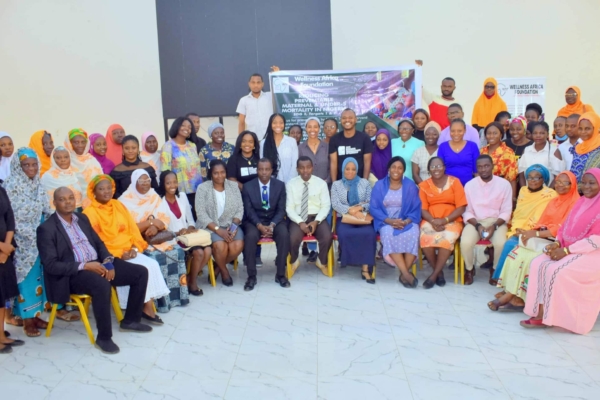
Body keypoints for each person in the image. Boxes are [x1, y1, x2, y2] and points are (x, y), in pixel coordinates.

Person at [37, 187, 151, 354]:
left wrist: (108, 262)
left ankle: (130, 321)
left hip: (98, 263)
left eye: (70, 198)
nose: (68, 202)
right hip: (73, 274)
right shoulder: (46, 229)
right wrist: (85, 266)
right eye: (62, 199)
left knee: (140, 272)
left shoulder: (81, 218)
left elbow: (98, 244)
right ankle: (104, 338)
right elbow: (51, 265)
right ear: (54, 203)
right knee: (102, 285)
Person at [520, 169, 600, 333]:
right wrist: (556, 245)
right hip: (570, 249)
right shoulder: (581, 201)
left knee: (556, 270)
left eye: (592, 183)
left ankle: (556, 318)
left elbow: (596, 240)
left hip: (592, 254)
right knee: (537, 263)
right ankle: (540, 312)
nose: (587, 186)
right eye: (584, 182)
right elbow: (565, 227)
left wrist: (566, 250)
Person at [83, 175, 170, 324]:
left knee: (152, 264)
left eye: (108, 188)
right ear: (93, 192)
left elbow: (132, 230)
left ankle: (145, 307)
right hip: (109, 257)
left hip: (128, 250)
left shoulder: (118, 206)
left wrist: (135, 249)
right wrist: (119, 254)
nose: (106, 192)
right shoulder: (89, 213)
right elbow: (96, 244)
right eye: (101, 189)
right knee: (141, 269)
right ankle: (145, 309)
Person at [490, 171, 579, 311]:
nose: (560, 185)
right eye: (558, 182)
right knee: (516, 253)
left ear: (573, 185)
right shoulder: (554, 200)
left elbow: (561, 228)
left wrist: (536, 233)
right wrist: (528, 232)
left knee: (530, 258)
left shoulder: (575, 203)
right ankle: (512, 293)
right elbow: (542, 221)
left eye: (565, 182)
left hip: (561, 243)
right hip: (545, 238)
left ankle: (514, 297)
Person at [119, 169, 189, 313]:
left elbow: (164, 218)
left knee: (177, 251)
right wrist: (150, 224)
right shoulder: (124, 201)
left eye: (148, 180)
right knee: (154, 258)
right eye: (141, 181)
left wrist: (157, 228)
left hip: (156, 238)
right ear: (134, 181)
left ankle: (177, 298)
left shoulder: (153, 196)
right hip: (136, 241)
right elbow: (126, 228)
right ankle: (156, 303)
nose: (145, 184)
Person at [3, 148, 51, 337]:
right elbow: (8, 217)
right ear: (17, 166)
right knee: (25, 279)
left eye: (34, 164)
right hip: (21, 241)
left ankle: (36, 315)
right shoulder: (11, 185)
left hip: (40, 238)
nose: (31, 168)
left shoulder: (38, 184)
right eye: (26, 165)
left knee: (39, 277)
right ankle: (27, 321)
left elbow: (45, 210)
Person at [491, 164, 557, 281]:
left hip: (537, 231)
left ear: (544, 179)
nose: (532, 181)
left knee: (510, 245)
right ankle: (503, 279)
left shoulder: (550, 194)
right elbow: (518, 214)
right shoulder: (523, 190)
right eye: (529, 177)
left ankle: (501, 278)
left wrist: (527, 231)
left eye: (537, 177)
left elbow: (547, 217)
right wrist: (517, 229)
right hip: (518, 227)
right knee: (507, 242)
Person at [370, 156, 421, 287]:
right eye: (393, 167)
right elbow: (374, 208)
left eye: (400, 168)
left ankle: (404, 274)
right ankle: (407, 274)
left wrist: (406, 221)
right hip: (385, 221)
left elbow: (416, 208)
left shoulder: (410, 186)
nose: (396, 170)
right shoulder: (379, 185)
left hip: (406, 220)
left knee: (414, 233)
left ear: (404, 170)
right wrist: (390, 221)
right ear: (389, 169)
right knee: (387, 234)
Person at [157, 170, 210, 296]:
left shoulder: (182, 196)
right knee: (199, 252)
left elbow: (190, 220)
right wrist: (177, 232)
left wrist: (189, 228)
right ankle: (192, 284)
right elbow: (162, 227)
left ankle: (190, 279)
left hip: (187, 236)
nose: (172, 185)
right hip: (173, 238)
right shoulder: (160, 202)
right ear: (163, 184)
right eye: (168, 183)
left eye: (175, 182)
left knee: (208, 250)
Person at [461, 155, 512, 285]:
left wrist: (494, 226)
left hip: (497, 221)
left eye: (486, 166)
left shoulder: (504, 184)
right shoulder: (469, 185)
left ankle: (495, 271)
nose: (483, 169)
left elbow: (506, 210)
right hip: (475, 221)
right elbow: (467, 211)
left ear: (492, 166)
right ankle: (469, 269)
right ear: (476, 169)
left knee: (501, 244)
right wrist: (478, 226)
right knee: (465, 243)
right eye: (480, 167)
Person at [241, 158, 290, 290]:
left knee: (284, 234)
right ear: (257, 170)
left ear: (271, 171)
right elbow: (248, 210)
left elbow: (281, 209)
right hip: (255, 220)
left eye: (267, 169)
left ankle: (280, 274)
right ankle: (251, 276)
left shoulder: (280, 185)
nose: (264, 172)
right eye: (261, 169)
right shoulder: (248, 186)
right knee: (250, 237)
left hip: (274, 219)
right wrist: (259, 225)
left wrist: (272, 225)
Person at [418, 157, 467, 288]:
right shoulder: (423, 186)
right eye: (433, 167)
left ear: (444, 167)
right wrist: (433, 221)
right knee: (425, 238)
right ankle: (439, 273)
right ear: (428, 170)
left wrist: (444, 220)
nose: (436, 169)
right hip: (430, 219)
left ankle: (434, 275)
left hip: (452, 220)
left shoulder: (455, 182)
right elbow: (422, 209)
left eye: (439, 166)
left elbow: (461, 207)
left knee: (446, 238)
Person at [195, 160, 244, 286]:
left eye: (222, 172)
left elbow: (240, 208)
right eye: (216, 173)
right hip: (210, 226)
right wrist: (218, 230)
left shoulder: (233, 186)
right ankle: (224, 271)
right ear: (211, 174)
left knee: (237, 245)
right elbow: (201, 214)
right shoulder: (203, 188)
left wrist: (233, 227)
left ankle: (217, 266)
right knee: (220, 246)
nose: (220, 175)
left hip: (231, 224)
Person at [331, 157, 376, 282]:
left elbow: (371, 201)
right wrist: (350, 210)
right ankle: (350, 259)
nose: (350, 172)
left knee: (369, 234)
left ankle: (365, 269)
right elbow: (335, 204)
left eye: (353, 169)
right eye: (347, 169)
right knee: (345, 233)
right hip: (344, 218)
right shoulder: (336, 185)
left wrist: (359, 208)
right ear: (343, 169)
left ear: (357, 170)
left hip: (362, 217)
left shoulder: (365, 183)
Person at [286, 157, 332, 275]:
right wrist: (300, 222)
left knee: (327, 237)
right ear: (297, 169)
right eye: (301, 168)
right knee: (292, 238)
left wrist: (316, 221)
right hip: (298, 217)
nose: (305, 170)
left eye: (308, 167)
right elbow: (289, 208)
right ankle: (295, 261)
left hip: (317, 217)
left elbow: (326, 206)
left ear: (312, 168)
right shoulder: (291, 184)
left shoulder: (321, 184)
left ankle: (321, 261)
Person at [160, 116, 203, 218]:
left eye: (189, 127)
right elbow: (165, 172)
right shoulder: (168, 146)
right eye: (183, 125)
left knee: (197, 220)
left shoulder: (193, 145)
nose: (186, 128)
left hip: (197, 192)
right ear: (176, 126)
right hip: (179, 193)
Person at [0, 182, 22, 353]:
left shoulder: (1, 189)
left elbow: (9, 218)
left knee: (2, 294)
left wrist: (6, 247)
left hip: (5, 251)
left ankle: (1, 334)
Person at [329, 109, 373, 181]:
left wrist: (364, 183)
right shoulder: (334, 139)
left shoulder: (365, 138)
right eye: (344, 118)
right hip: (341, 184)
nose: (347, 120)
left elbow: (367, 163)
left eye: (350, 118)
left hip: (359, 183)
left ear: (356, 120)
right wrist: (335, 184)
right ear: (340, 120)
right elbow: (333, 164)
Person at [236, 67, 279, 139]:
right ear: (249, 84)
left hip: (270, 138)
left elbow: (280, 89)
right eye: (253, 82)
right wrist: (240, 140)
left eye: (258, 82)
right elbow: (241, 122)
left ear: (262, 84)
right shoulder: (243, 100)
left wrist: (277, 74)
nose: (256, 85)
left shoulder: (270, 96)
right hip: (253, 139)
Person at [480, 122, 518, 201]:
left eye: (495, 133)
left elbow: (512, 178)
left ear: (501, 135)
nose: (491, 136)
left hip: (501, 191)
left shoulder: (508, 152)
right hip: (483, 190)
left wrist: (513, 198)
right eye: (489, 133)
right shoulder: (482, 151)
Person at [518, 122, 563, 187]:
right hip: (528, 194)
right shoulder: (526, 150)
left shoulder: (554, 151)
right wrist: (525, 191)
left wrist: (547, 193)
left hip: (547, 194)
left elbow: (558, 177)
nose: (538, 135)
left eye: (542, 133)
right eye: (535, 133)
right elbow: (521, 175)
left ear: (547, 134)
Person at [64, 129, 103, 203]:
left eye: (83, 142)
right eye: (76, 142)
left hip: (92, 202)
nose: (80, 145)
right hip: (71, 204)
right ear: (69, 143)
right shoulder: (65, 161)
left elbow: (101, 181)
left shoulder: (92, 160)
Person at [437, 119, 479, 186]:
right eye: (453, 131)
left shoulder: (472, 146)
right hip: (448, 187)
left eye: (459, 131)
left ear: (465, 131)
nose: (456, 134)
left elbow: (476, 171)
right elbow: (440, 169)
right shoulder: (443, 147)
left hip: (468, 186)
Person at [415, 61, 457, 129]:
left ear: (454, 88)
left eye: (449, 86)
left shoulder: (457, 104)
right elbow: (419, 86)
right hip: (432, 136)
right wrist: (418, 68)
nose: (446, 88)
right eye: (444, 86)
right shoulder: (433, 99)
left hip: (447, 136)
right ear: (441, 86)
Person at [41, 147, 84, 211]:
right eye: (58, 158)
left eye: (66, 157)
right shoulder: (47, 177)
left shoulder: (74, 174)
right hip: (56, 214)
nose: (63, 160)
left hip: (77, 210)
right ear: (53, 159)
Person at [260, 113, 298, 183]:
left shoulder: (291, 141)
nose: (278, 125)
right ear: (270, 125)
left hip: (290, 183)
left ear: (284, 124)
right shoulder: (264, 143)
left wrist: (290, 183)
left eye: (281, 123)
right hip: (271, 183)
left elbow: (295, 164)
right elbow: (262, 164)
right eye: (274, 123)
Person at [298, 117, 330, 184]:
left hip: (325, 186)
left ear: (319, 129)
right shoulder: (300, 148)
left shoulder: (327, 147)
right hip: (307, 186)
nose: (312, 129)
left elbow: (332, 167)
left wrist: (327, 181)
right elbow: (299, 169)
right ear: (306, 129)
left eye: (315, 127)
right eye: (309, 127)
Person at [570, 112, 600, 184]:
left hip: (594, 191)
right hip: (576, 191)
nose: (583, 132)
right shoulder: (577, 147)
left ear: (595, 128)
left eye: (587, 129)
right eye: (580, 128)